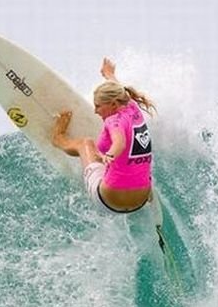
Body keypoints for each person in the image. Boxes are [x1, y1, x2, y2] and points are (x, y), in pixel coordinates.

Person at [52, 58, 157, 213]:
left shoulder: (113, 121)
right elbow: (119, 89)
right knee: (130, 165)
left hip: (109, 202)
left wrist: (110, 155)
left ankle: (58, 138)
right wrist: (109, 74)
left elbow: (119, 142)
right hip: (141, 199)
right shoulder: (132, 107)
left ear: (113, 104)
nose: (95, 111)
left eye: (98, 106)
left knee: (86, 144)